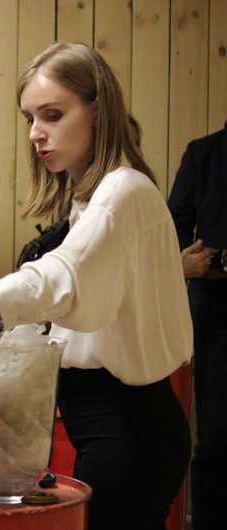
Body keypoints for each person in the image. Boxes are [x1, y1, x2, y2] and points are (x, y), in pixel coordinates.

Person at [0, 43, 191, 530]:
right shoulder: (89, 199)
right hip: (107, 425)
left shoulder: (123, 190)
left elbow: (57, 277)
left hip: (129, 429)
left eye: (52, 115)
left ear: (99, 110)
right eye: (29, 118)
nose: (35, 133)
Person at [167, 119, 227, 529]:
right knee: (217, 440)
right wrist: (195, 262)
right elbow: (172, 226)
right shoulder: (204, 153)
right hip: (218, 318)